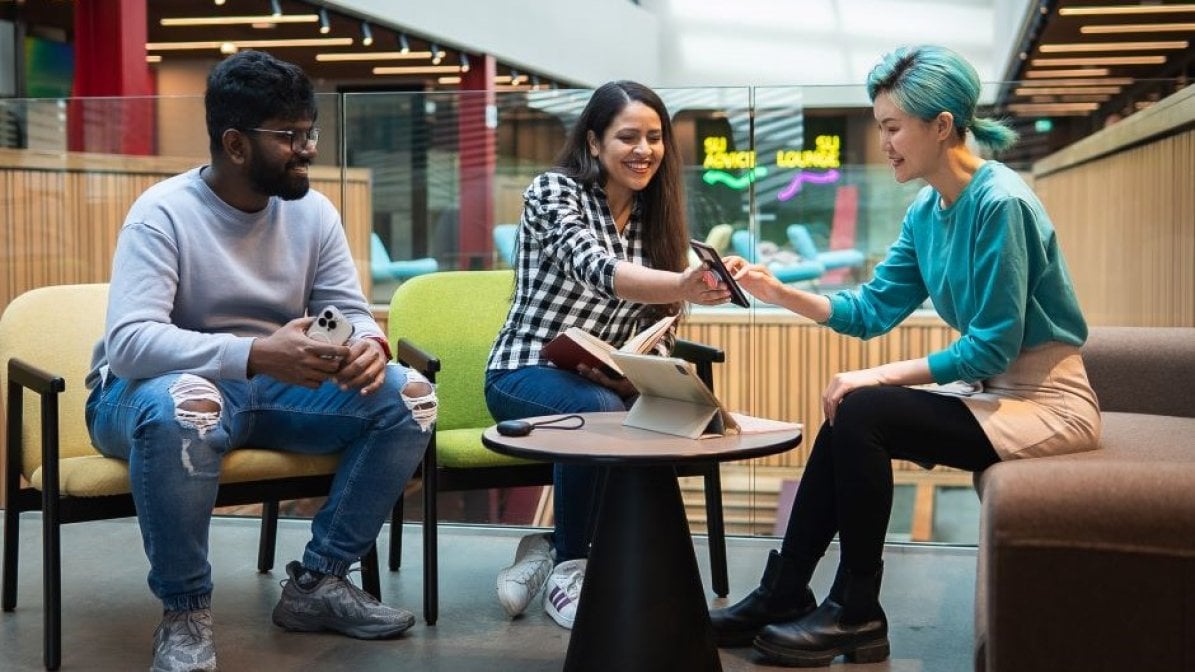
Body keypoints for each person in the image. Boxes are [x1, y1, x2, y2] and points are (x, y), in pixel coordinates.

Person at [712, 45, 1102, 667]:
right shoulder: (929, 210)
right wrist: (778, 292)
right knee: (853, 412)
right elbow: (871, 310)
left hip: (1046, 401)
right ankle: (785, 591)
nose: (884, 142)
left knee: (864, 407)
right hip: (992, 393)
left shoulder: (1001, 204)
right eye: (880, 127)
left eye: (893, 127)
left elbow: (995, 344)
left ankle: (856, 609)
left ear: (942, 125)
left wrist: (876, 375)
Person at [84, 50, 436, 672]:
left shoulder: (312, 212)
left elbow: (350, 311)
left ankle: (320, 583)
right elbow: (131, 343)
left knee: (411, 397)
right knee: (186, 406)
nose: (306, 149)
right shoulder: (162, 214)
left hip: (272, 384)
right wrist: (253, 354)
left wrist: (366, 350)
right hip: (145, 393)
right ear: (236, 145)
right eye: (290, 137)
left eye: (309, 133)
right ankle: (185, 611)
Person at [484, 80, 731, 629]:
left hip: (599, 384)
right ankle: (573, 566)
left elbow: (656, 327)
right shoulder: (554, 192)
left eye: (654, 136)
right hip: (520, 372)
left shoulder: (653, 216)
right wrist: (682, 282)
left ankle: (551, 549)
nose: (644, 149)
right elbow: (594, 267)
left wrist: (637, 370)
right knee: (601, 412)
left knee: (655, 411)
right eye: (627, 137)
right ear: (594, 142)